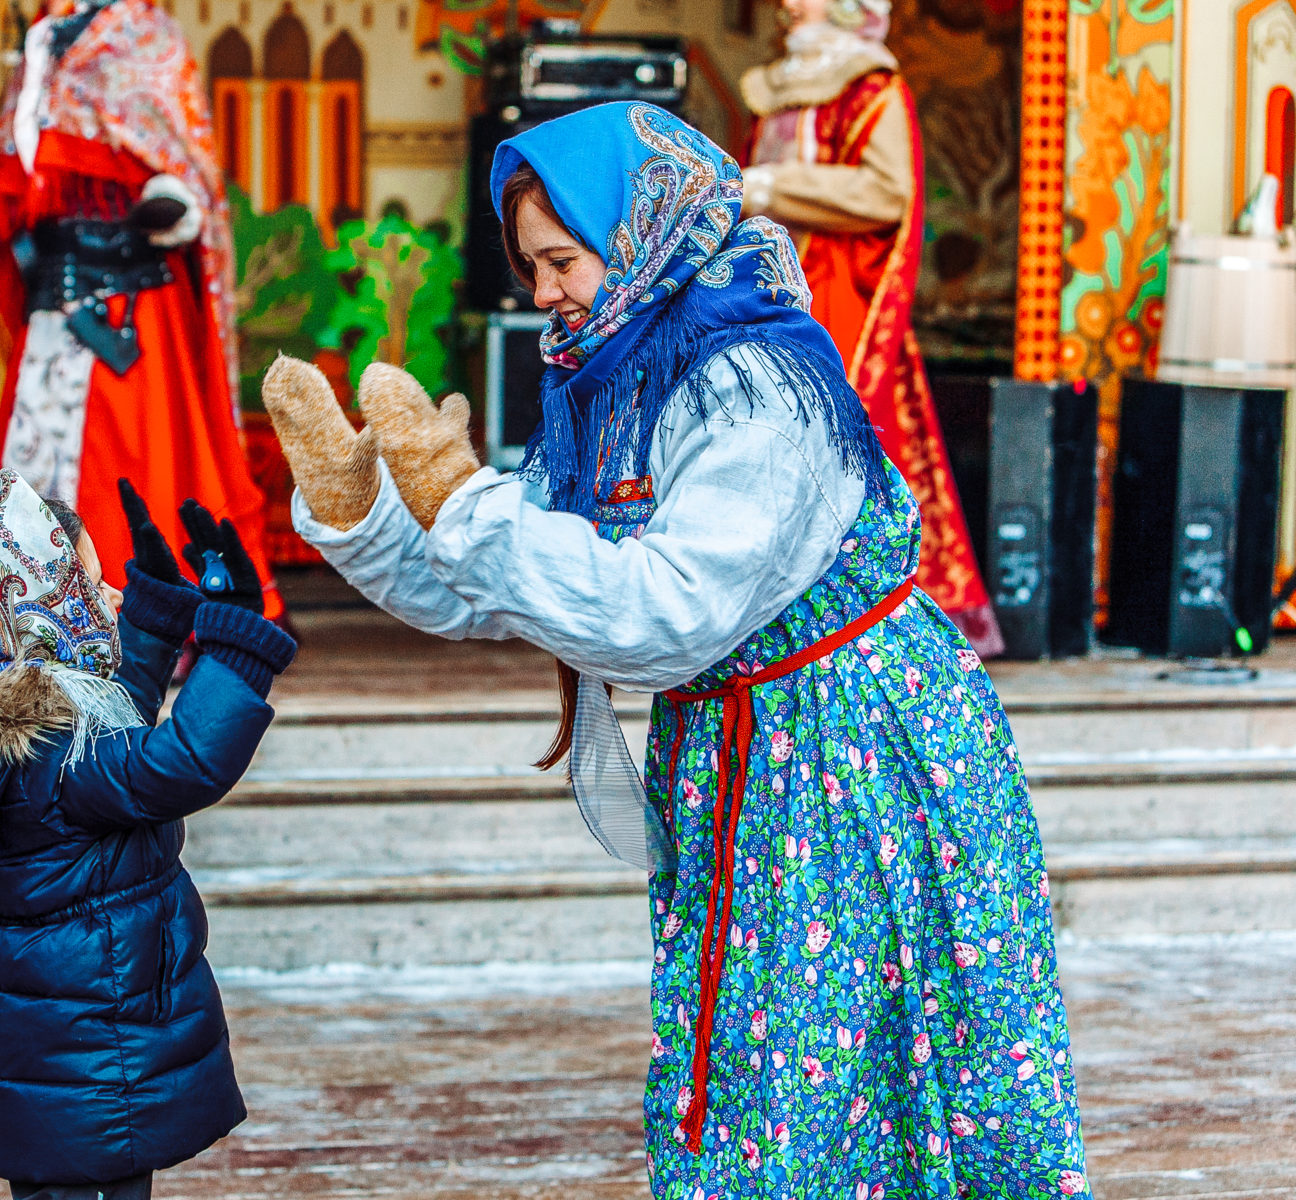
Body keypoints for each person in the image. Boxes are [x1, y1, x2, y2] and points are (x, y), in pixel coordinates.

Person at [263, 102, 1087, 1197]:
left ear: (641, 232)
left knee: (844, 1057)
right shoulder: (618, 381)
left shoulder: (757, 385)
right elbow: (517, 590)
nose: (544, 291)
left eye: (562, 260)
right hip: (744, 753)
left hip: (854, 755)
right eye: (531, 266)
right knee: (757, 1053)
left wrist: (464, 499)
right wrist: (365, 513)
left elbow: (665, 613)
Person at [0, 469, 295, 1199]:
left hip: (58, 1055)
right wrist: (237, 646)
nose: (108, 596)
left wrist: (152, 622)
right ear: (34, 602)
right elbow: (173, 764)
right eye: (88, 583)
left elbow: (110, 727)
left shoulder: (5, 739)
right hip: (97, 1053)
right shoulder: (52, 760)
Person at [0, 0, 284, 622]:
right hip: (53, 313)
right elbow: (12, 187)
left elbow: (181, 168)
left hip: (131, 308)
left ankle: (142, 618)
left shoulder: (146, 36)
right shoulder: (43, 46)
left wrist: (170, 206)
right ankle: (20, 620)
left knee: (131, 470)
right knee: (31, 468)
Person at [740, 0, 1004, 656]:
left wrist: (772, 187)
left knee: (841, 436)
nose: (787, 6)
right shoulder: (778, 85)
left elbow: (888, 191)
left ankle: (866, 609)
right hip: (767, 289)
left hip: (835, 294)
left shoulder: (869, 86)